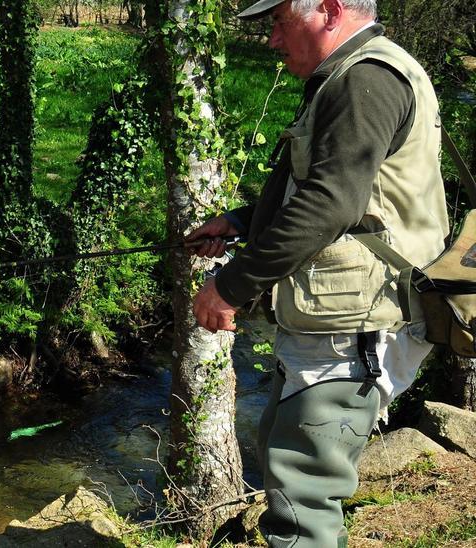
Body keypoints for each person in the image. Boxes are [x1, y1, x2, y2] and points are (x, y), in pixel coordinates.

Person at [184, 0, 447, 546]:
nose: (274, 41)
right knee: (289, 466)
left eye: (280, 22)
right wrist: (239, 221)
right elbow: (334, 189)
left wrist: (228, 288)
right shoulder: (352, 73)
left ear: (328, 9)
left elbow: (328, 205)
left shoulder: (365, 80)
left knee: (302, 498)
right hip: (345, 317)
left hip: (354, 325)